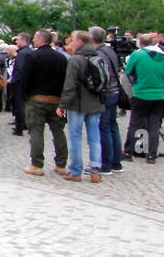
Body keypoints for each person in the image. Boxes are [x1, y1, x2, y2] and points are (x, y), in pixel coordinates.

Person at [57, 31, 104, 183]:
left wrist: (63, 104)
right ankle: (96, 170)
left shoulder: (76, 60)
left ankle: (76, 171)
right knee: (94, 136)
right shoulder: (99, 57)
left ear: (80, 42)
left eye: (73, 39)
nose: (71, 42)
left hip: (77, 103)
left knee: (75, 137)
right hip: (96, 102)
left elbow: (69, 85)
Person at [21, 31, 69, 175]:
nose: (33, 40)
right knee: (58, 131)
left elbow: (26, 79)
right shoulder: (61, 57)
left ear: (41, 40)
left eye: (35, 38)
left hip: (37, 99)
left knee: (36, 131)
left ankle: (37, 164)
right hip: (56, 99)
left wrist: (25, 95)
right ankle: (61, 164)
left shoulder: (32, 56)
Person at [122, 33, 164, 163]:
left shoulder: (138, 54)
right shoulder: (163, 56)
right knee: (154, 125)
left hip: (141, 92)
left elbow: (128, 71)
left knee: (135, 123)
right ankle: (152, 154)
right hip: (159, 93)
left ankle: (128, 151)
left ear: (140, 43)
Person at [89, 27, 124, 173]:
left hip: (106, 92)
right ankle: (116, 162)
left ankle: (106, 163)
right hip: (114, 91)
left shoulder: (98, 53)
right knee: (112, 126)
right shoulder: (110, 50)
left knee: (104, 128)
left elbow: (102, 75)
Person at [9, 33, 34, 136]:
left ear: (24, 40)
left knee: (20, 106)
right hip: (28, 83)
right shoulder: (30, 51)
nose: (16, 42)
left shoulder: (22, 53)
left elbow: (19, 69)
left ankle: (20, 128)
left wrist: (13, 81)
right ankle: (25, 125)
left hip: (20, 84)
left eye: (18, 40)